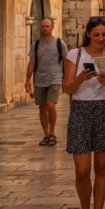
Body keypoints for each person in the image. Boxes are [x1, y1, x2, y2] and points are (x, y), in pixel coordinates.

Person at [62, 17, 105, 209]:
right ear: (88, 33)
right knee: (82, 170)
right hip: (80, 111)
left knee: (102, 168)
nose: (100, 38)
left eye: (104, 34)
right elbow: (67, 88)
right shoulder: (75, 55)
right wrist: (80, 78)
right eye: (96, 35)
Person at [26, 18, 68, 147]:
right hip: (39, 79)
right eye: (43, 26)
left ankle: (52, 132)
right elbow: (32, 62)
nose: (45, 28)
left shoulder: (60, 43)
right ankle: (45, 135)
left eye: (47, 26)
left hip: (55, 78)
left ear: (52, 27)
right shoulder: (36, 44)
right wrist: (27, 79)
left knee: (51, 105)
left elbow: (66, 61)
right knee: (42, 108)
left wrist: (67, 78)